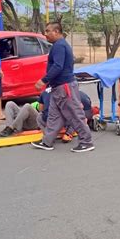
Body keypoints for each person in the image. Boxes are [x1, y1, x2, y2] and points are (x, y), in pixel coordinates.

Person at [31, 22, 94, 152]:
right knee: (54, 116)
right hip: (57, 88)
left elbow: (58, 66)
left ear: (57, 31)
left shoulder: (59, 45)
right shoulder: (59, 45)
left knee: (74, 115)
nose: (45, 34)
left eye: (48, 31)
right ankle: (47, 141)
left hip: (64, 87)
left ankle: (86, 142)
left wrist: (44, 80)